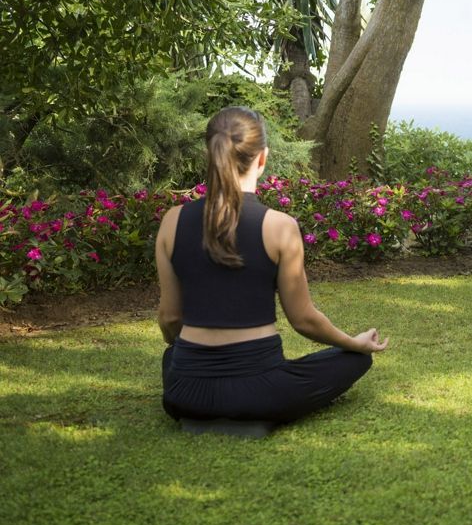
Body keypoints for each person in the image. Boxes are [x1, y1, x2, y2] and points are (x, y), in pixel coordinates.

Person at [154, 106, 388, 429]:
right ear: (262, 158)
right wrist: (354, 342)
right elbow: (303, 319)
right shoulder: (280, 227)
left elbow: (169, 320)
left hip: (186, 393)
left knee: (171, 358)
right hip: (260, 393)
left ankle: (203, 409)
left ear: (210, 154)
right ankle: (249, 410)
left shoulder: (172, 221)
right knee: (354, 361)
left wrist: (195, 358)